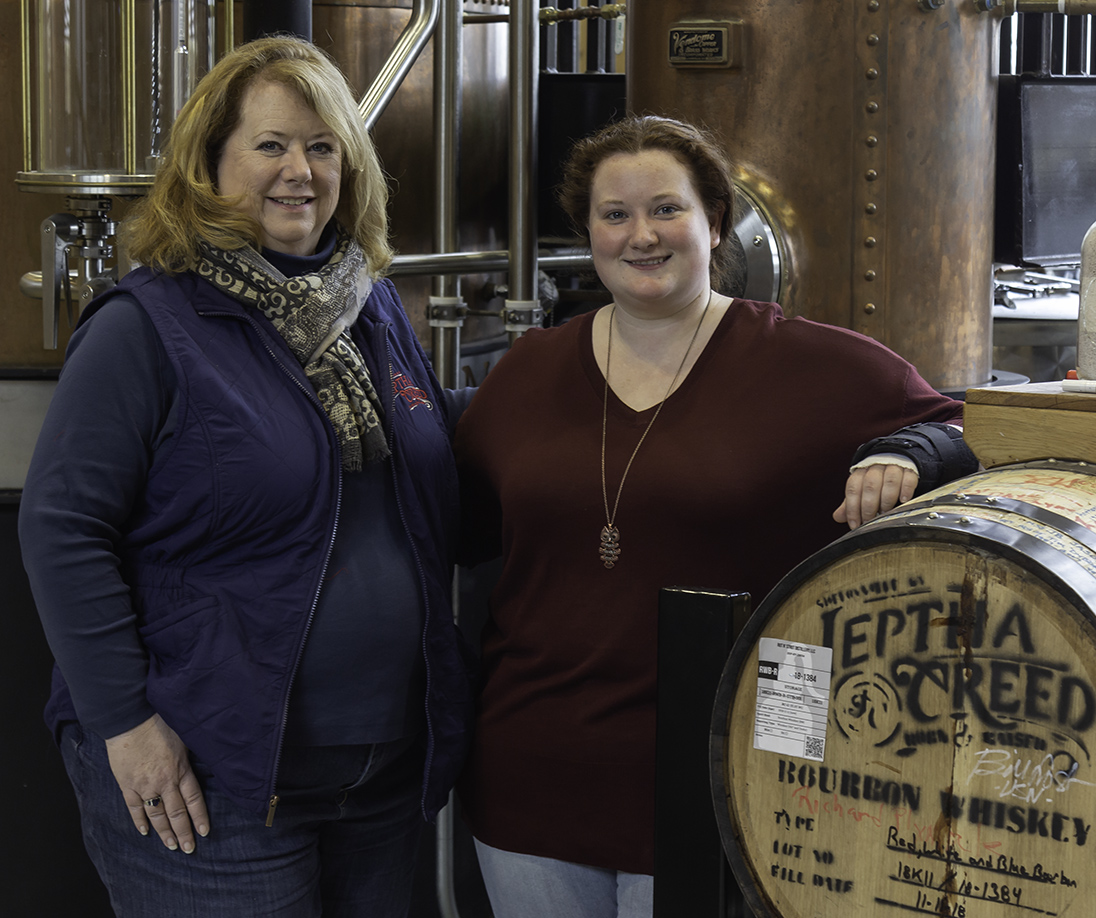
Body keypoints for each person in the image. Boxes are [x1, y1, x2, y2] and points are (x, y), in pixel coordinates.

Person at [452, 114, 976, 918]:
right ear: (587, 230)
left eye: (667, 209)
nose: (641, 235)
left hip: (730, 775)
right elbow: (461, 530)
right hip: (535, 771)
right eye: (614, 214)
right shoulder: (526, 375)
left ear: (715, 222)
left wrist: (910, 453)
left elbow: (970, 425)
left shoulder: (808, 365)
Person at [18, 36, 473, 918]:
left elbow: (441, 442)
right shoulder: (147, 323)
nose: (298, 170)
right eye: (270, 145)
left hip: (376, 775)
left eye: (321, 146)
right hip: (210, 780)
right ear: (209, 163)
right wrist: (127, 726)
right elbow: (63, 528)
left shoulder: (366, 302)